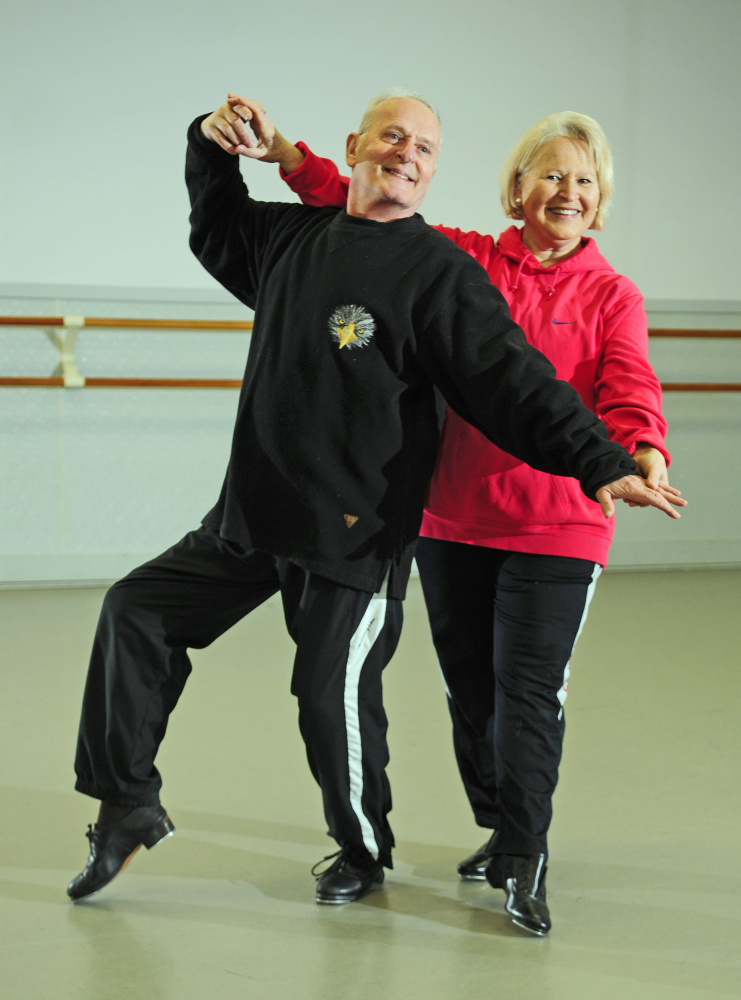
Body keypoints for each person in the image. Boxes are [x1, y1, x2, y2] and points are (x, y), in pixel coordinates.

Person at [67, 90, 684, 912]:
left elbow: (515, 385)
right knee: (133, 611)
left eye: (425, 148)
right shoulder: (290, 239)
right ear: (356, 146)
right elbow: (216, 220)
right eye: (393, 138)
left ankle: (362, 849)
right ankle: (126, 804)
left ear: (433, 173)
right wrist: (209, 145)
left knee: (330, 703)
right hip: (249, 520)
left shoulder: (440, 274)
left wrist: (601, 458)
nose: (407, 154)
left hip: (354, 539)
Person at [263, 105, 677, 935]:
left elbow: (629, 390)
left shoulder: (609, 293)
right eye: (550, 175)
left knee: (528, 692)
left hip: (559, 523)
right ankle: (498, 824)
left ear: (600, 203)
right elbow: (364, 195)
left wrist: (642, 455)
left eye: (583, 181)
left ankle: (526, 852)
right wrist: (281, 154)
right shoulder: (466, 258)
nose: (566, 192)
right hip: (452, 517)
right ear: (517, 188)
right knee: (470, 690)